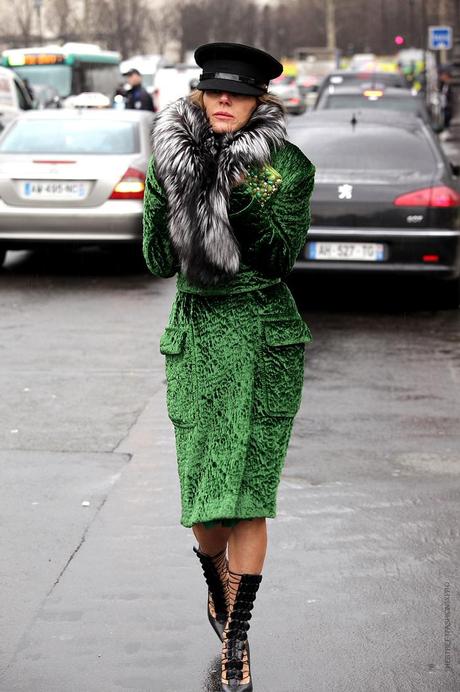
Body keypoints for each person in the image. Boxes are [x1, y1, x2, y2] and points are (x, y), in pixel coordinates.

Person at [142, 42, 315, 691]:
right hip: (197, 338)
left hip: (265, 338)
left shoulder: (287, 167)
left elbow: (278, 257)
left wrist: (236, 197)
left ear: (257, 101)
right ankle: (218, 583)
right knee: (203, 501)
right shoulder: (170, 157)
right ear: (199, 93)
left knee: (246, 496)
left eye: (236, 94)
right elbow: (159, 261)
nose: (223, 101)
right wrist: (171, 190)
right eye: (213, 90)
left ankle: (238, 636)